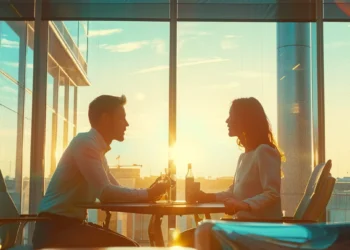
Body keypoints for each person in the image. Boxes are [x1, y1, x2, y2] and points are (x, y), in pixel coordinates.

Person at [32, 95, 169, 248]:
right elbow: (106, 193)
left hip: (67, 226)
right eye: (121, 118)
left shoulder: (97, 150)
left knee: (130, 245)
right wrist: (148, 194)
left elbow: (115, 191)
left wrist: (149, 192)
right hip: (55, 230)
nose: (127, 124)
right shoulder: (85, 144)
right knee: (129, 247)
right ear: (105, 119)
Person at [175, 97, 283, 247]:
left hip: (257, 231)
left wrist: (243, 205)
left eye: (231, 116)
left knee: (185, 239)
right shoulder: (244, 156)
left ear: (245, 120)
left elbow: (272, 193)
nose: (227, 121)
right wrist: (207, 196)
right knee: (185, 238)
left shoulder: (264, 151)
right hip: (244, 227)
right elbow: (234, 192)